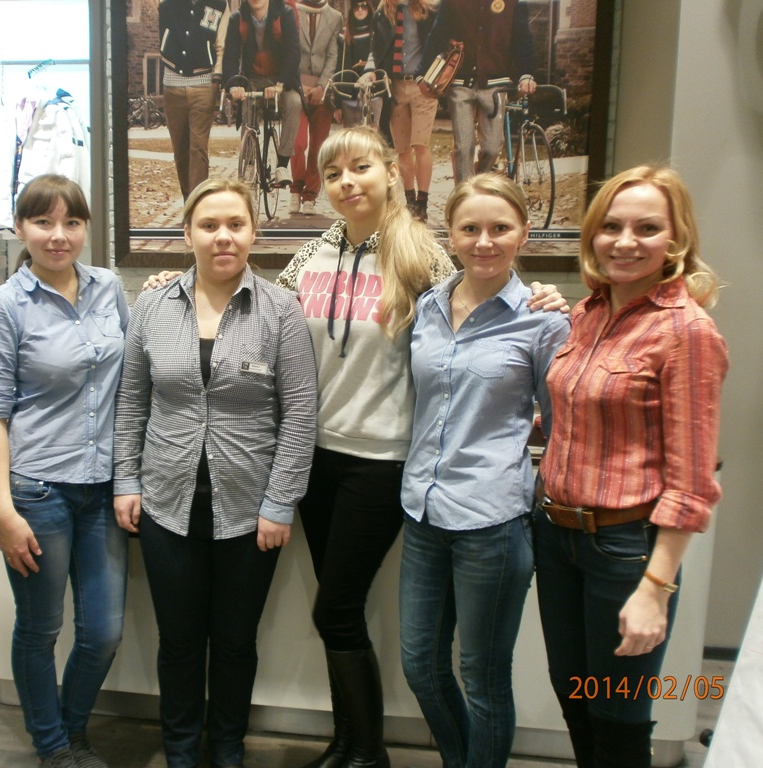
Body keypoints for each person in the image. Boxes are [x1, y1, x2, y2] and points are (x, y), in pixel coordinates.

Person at [142, 126, 563, 768]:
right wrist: (171, 287)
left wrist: (541, 296)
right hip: (314, 457)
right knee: (338, 609)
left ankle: (366, 750)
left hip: (382, 460)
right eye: (333, 172)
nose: (347, 183)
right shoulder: (311, 256)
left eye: (360, 167)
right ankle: (347, 742)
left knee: (336, 608)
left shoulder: (422, 256)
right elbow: (251, 306)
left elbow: (482, 294)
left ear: (390, 171)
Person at [113, 178, 317, 768]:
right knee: (178, 643)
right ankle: (180, 749)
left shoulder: (280, 309)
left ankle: (227, 747)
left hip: (251, 511)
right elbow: (132, 401)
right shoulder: (152, 305)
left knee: (233, 642)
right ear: (188, 235)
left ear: (253, 233)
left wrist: (280, 503)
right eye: (208, 225)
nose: (222, 236)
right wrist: (126, 481)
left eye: (235, 224)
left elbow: (300, 413)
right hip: (165, 504)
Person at [534, 165, 728, 768]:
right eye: (611, 226)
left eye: (646, 228)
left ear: (676, 239)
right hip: (556, 536)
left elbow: (692, 483)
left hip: (624, 549)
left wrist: (655, 589)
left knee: (617, 719)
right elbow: (575, 415)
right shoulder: (588, 313)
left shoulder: (687, 331)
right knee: (575, 698)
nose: (625, 241)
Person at [399, 174, 570, 767]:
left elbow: (562, 426)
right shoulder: (428, 307)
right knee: (420, 664)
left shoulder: (544, 320)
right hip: (423, 510)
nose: (484, 241)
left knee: (483, 677)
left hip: (492, 523)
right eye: (470, 228)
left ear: (523, 233)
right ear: (450, 234)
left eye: (500, 228)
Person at [0, 174, 129, 768]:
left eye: (71, 222)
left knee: (104, 631)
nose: (58, 235)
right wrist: (2, 510)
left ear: (86, 227)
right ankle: (54, 746)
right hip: (38, 490)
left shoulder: (108, 287)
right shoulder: (2, 306)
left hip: (104, 488)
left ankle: (73, 731)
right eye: (43, 222)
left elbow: (129, 374)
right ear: (21, 228)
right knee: (40, 629)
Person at [417, 0, 537, 183]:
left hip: (496, 85)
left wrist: (526, 73)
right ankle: (464, 194)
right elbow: (436, 36)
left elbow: (522, 39)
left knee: (492, 148)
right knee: (463, 148)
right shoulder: (452, 3)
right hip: (460, 84)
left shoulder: (513, 3)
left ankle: (478, 184)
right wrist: (421, 73)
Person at [222, 0, 303, 188]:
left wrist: (280, 84)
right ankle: (249, 160)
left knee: (294, 102)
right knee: (248, 106)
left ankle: (282, 164)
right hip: (252, 78)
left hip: (280, 79)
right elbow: (230, 55)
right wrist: (234, 85)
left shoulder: (285, 14)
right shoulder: (237, 19)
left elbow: (293, 52)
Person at [371, 0, 438, 221]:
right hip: (396, 86)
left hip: (423, 85)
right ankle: (410, 200)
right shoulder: (383, 13)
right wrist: (373, 72)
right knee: (402, 148)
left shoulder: (428, 10)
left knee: (421, 144)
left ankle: (422, 201)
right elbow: (376, 49)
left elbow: (439, 43)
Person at [158, 0, 229, 200]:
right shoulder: (168, 3)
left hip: (203, 83)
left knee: (198, 148)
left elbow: (221, 44)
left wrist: (217, 75)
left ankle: (197, 202)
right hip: (172, 84)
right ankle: (187, 199)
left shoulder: (219, 5)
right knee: (180, 149)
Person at [289, 0, 343, 216]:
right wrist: (296, 83)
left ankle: (310, 194)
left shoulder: (335, 17)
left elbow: (332, 55)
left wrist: (322, 86)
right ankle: (295, 187)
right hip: (297, 87)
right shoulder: (291, 10)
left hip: (323, 89)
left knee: (318, 146)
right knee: (297, 142)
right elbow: (288, 50)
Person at [335, 0, 384, 129]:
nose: (360, 10)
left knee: (373, 133)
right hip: (349, 94)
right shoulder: (343, 35)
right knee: (351, 135)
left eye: (364, 6)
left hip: (374, 92)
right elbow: (340, 68)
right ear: (351, 9)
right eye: (356, 7)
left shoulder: (377, 32)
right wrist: (338, 103)